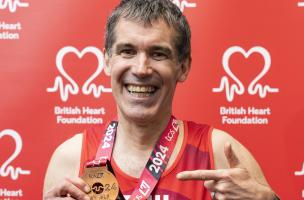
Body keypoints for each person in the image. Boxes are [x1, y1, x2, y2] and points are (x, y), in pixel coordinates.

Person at [44, 0, 280, 199]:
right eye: (127, 51)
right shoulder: (70, 159)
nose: (141, 68)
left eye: (158, 53)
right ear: (107, 61)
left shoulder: (218, 152)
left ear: (183, 67)